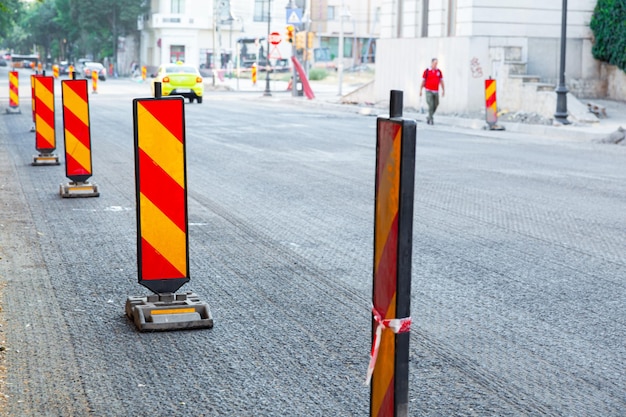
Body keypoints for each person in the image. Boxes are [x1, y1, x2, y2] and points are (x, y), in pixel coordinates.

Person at [419, 58, 445, 125]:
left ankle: (429, 116)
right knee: (431, 104)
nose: (435, 64)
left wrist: (443, 90)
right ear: (432, 63)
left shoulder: (438, 71)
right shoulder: (427, 71)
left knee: (436, 104)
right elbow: (423, 81)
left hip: (435, 91)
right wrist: (421, 90)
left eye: (436, 63)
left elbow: (441, 81)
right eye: (434, 63)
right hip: (428, 90)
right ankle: (431, 119)